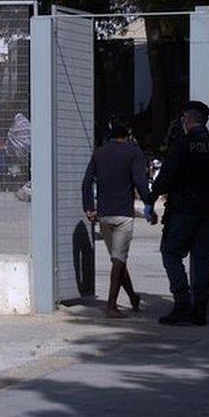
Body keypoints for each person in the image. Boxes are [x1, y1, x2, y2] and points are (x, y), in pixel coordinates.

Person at [144, 101, 209, 326]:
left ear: (189, 120)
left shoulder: (183, 144)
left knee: (171, 253)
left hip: (183, 211)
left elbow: (166, 176)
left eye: (184, 119)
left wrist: (151, 199)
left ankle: (182, 303)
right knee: (202, 259)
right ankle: (200, 309)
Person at [81, 118, 153, 319]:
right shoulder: (134, 152)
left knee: (117, 260)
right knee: (118, 260)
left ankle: (133, 297)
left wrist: (89, 208)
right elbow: (139, 181)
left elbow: (86, 183)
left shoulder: (99, 153)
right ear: (127, 135)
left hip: (104, 215)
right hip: (123, 215)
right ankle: (111, 306)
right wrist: (149, 203)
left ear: (111, 136)